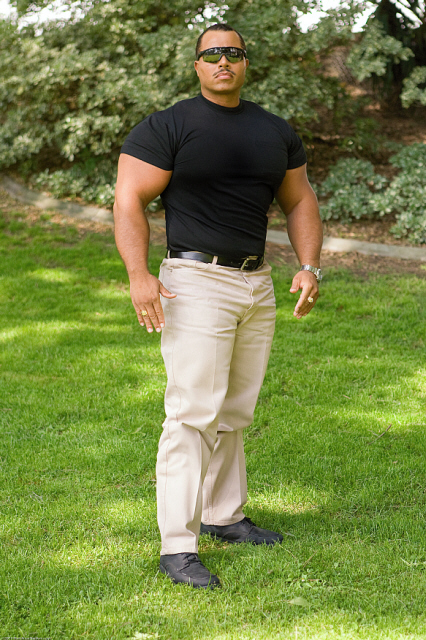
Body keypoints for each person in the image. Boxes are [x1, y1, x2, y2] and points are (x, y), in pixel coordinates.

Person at [114, 22, 323, 590]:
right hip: (194, 281)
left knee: (234, 410)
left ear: (246, 62)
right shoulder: (167, 126)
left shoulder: (274, 130)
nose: (222, 61)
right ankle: (177, 547)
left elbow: (299, 199)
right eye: (212, 55)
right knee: (191, 415)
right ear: (198, 66)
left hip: (256, 284)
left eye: (232, 53)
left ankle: (224, 515)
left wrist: (310, 265)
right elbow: (129, 198)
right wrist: (138, 274)